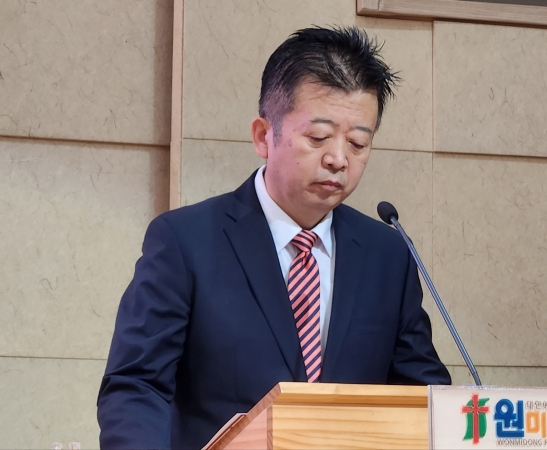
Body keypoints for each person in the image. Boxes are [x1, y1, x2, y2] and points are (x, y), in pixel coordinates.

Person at [96, 26, 451, 449]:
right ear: (264, 136)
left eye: (358, 143)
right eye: (318, 137)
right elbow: (137, 386)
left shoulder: (387, 255)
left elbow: (423, 397)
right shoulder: (186, 241)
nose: (338, 159)